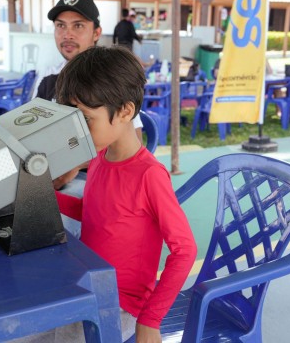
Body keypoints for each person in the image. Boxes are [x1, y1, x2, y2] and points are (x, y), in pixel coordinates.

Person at [56, 46, 197, 342]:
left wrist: (151, 319)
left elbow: (185, 250)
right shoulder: (99, 157)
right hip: (89, 285)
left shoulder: (149, 175)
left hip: (121, 305)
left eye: (85, 119)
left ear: (125, 111)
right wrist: (39, 196)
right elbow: (96, 214)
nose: (75, 132)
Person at [32, 0, 143, 189]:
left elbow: (134, 142)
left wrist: (71, 167)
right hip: (45, 176)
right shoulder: (47, 78)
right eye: (60, 25)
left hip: (94, 178)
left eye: (78, 25)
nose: (67, 34)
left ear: (96, 33)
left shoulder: (112, 77)